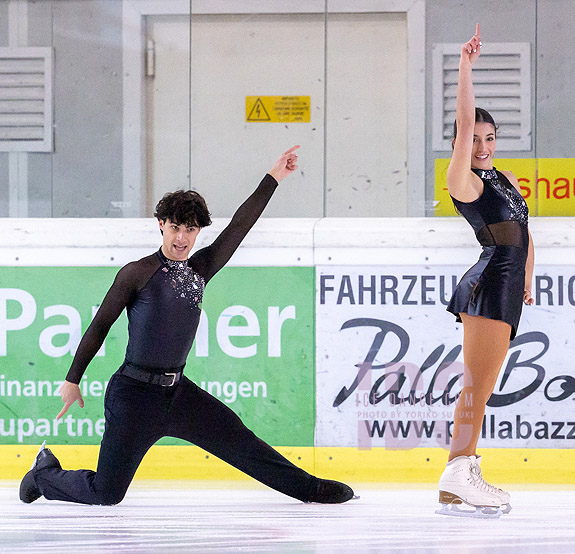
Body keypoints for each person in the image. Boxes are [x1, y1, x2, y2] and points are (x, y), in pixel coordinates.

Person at [20, 146, 355, 506]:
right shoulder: (137, 273)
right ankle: (43, 475)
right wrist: (73, 379)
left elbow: (240, 225)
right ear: (161, 225)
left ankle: (309, 488)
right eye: (175, 227)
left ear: (198, 232)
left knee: (242, 442)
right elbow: (100, 325)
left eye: (190, 229)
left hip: (179, 395)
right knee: (106, 493)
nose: (182, 238)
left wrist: (273, 178)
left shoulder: (200, 270)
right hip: (134, 397)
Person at [436, 25, 535, 518]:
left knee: (485, 383)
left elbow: (524, 231)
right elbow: (462, 121)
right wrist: (466, 67)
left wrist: (529, 280)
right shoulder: (463, 180)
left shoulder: (506, 178)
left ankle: (461, 474)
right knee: (477, 384)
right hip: (490, 280)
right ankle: (458, 469)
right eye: (473, 138)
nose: (481, 145)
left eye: (489, 138)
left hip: (508, 283)